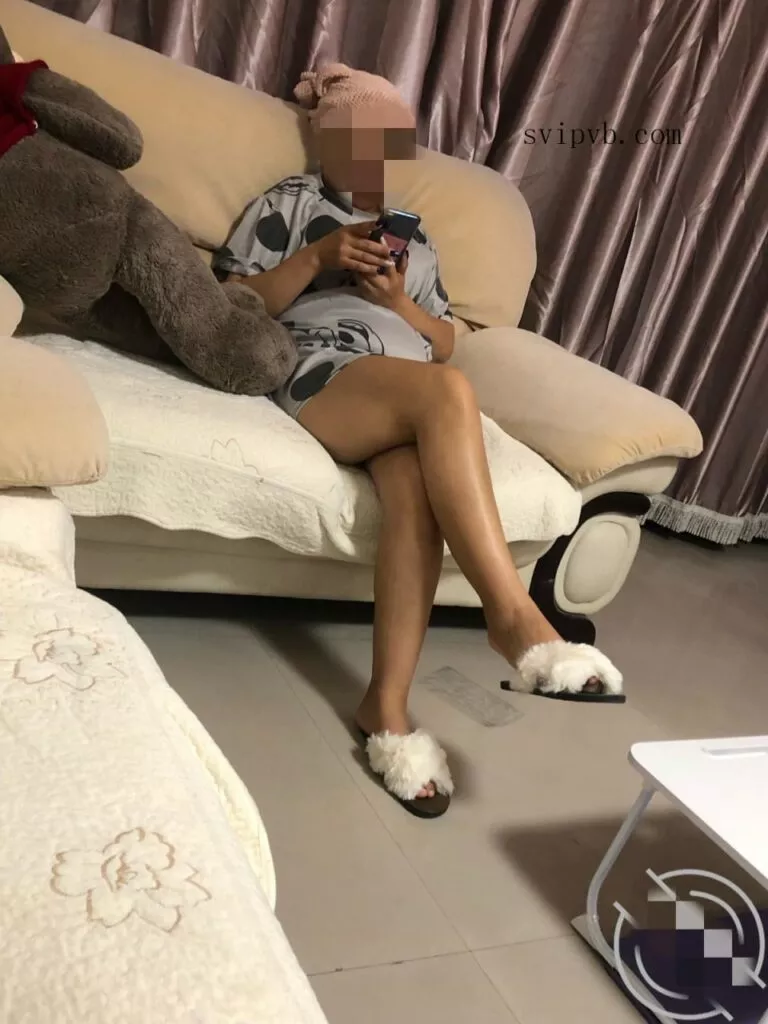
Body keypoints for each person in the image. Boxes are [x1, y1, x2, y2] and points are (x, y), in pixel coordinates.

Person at [213, 65, 623, 819]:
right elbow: (231, 306)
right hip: (325, 369)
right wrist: (318, 259)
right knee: (449, 395)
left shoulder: (416, 237)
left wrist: (400, 300)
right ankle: (512, 617)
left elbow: (445, 343)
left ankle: (386, 709)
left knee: (413, 491)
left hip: (403, 388)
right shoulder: (289, 202)